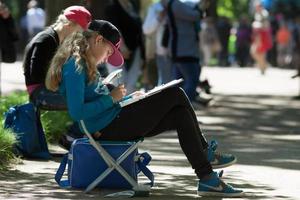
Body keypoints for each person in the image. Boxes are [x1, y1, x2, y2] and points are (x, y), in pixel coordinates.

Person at [45, 19, 244, 197]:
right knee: (175, 94)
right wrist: (111, 99)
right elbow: (77, 112)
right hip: (106, 129)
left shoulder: (85, 64)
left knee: (179, 113)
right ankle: (205, 153)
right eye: (108, 52)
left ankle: (207, 178)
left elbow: (99, 101)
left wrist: (128, 99)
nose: (106, 58)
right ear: (98, 40)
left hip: (113, 120)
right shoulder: (75, 67)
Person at [23, 5, 91, 110]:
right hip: (39, 92)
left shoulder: (58, 40)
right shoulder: (45, 40)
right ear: (69, 24)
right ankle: (74, 127)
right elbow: (36, 75)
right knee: (86, 100)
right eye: (79, 31)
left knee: (91, 95)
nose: (80, 35)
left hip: (49, 88)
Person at [161, 0, 212, 107]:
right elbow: (194, 15)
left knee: (180, 83)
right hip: (183, 50)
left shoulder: (176, 4)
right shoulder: (175, 4)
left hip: (183, 49)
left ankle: (178, 108)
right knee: (192, 79)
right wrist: (201, 8)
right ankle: (186, 106)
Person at [142, 0, 172, 85]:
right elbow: (146, 29)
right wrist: (159, 17)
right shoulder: (155, 8)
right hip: (161, 52)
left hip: (179, 51)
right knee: (164, 82)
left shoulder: (180, 5)